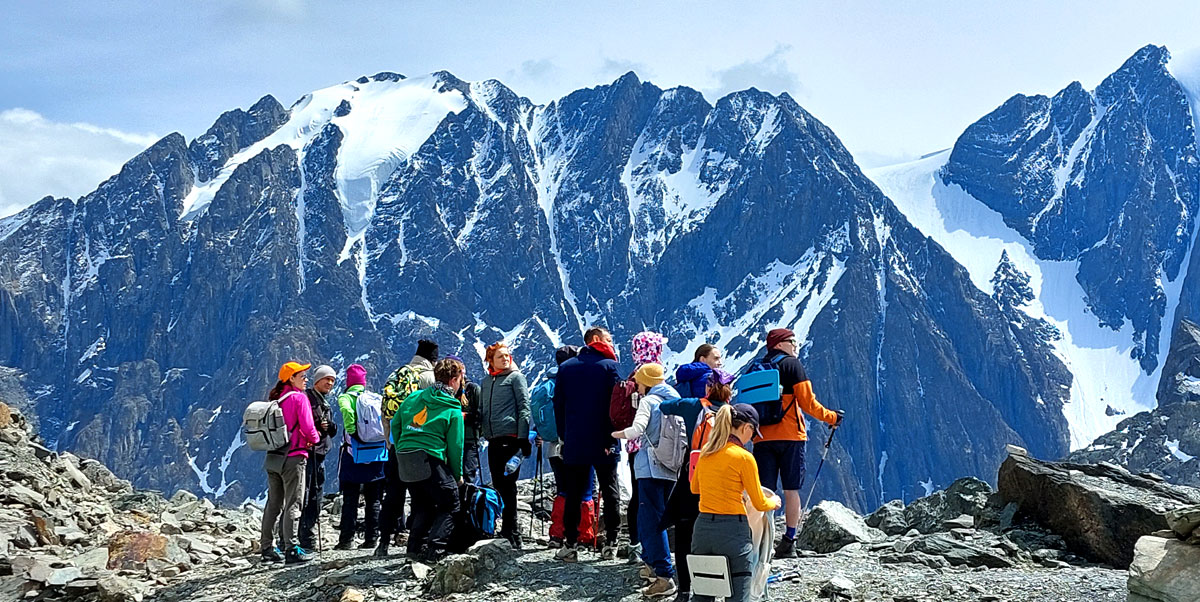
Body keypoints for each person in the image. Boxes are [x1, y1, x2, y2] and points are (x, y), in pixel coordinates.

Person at [753, 327, 843, 558]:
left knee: (764, 491)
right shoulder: (792, 365)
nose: (796, 345)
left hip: (761, 437)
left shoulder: (756, 367)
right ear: (780, 344)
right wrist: (832, 417)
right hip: (790, 436)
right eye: (792, 341)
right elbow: (808, 403)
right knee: (791, 489)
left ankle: (760, 541)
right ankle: (789, 541)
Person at [690, 404, 781, 602]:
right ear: (746, 427)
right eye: (753, 432)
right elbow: (759, 503)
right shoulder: (744, 458)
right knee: (738, 596)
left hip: (703, 531)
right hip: (733, 532)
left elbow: (695, 488)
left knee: (702, 595)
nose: (752, 438)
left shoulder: (706, 452)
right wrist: (773, 502)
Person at [660, 369, 735, 602]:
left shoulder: (694, 406)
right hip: (720, 485)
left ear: (707, 388)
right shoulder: (734, 414)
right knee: (713, 536)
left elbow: (665, 407)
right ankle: (710, 590)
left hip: (692, 481)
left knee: (684, 536)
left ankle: (684, 590)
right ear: (730, 392)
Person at [553, 326, 623, 562]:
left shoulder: (566, 368)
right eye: (608, 339)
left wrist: (564, 435)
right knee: (610, 489)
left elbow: (558, 405)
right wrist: (614, 435)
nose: (611, 344)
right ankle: (611, 542)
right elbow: (617, 405)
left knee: (574, 492)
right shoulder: (610, 366)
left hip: (576, 439)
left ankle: (570, 543)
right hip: (605, 439)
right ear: (596, 339)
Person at [611, 363, 680, 599]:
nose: (638, 387)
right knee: (657, 516)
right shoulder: (676, 399)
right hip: (671, 467)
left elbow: (637, 429)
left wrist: (617, 434)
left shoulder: (648, 401)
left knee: (651, 521)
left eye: (639, 382)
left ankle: (663, 576)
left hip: (650, 467)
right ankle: (651, 565)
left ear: (647, 382)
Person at [391, 358, 465, 561]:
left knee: (423, 503)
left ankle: (414, 549)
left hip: (406, 459)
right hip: (430, 458)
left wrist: (402, 448)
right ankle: (436, 550)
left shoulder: (414, 397)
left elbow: (396, 424)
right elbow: (456, 446)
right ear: (454, 380)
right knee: (450, 503)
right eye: (460, 379)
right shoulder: (452, 408)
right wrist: (457, 476)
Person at [378, 339, 439, 552]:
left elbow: (386, 413)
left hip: (396, 446)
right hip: (419, 446)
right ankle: (416, 541)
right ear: (433, 359)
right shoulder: (430, 378)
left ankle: (383, 541)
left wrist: (389, 441)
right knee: (421, 496)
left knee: (393, 494)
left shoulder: (396, 375)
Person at [260, 362, 321, 564]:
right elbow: (308, 427)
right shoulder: (298, 398)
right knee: (294, 503)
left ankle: (267, 548)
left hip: (273, 458)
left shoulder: (276, 399)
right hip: (293, 457)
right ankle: (291, 548)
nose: (306, 379)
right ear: (291, 379)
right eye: (302, 376)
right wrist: (315, 438)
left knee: (273, 504)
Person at [479, 342, 532, 548]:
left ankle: (512, 530)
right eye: (500, 356)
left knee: (508, 486)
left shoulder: (516, 378)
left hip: (510, 439)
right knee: (499, 484)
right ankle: (506, 528)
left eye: (507, 355)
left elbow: (524, 407)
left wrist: (522, 438)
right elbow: (483, 408)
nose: (506, 358)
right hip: (493, 440)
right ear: (490, 361)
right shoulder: (486, 382)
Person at [623, 330, 668, 558]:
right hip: (656, 445)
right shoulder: (653, 375)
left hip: (634, 446)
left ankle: (636, 541)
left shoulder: (632, 376)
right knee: (656, 498)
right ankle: (655, 547)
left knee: (638, 497)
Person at [336, 364, 386, 550]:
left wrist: (354, 433)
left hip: (353, 453)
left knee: (350, 498)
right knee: (374, 498)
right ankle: (372, 538)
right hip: (377, 452)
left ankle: (346, 540)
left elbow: (347, 412)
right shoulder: (373, 397)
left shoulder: (346, 397)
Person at [298, 364, 339, 552]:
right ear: (317, 380)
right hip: (309, 453)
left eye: (332, 380)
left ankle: (307, 535)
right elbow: (303, 423)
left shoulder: (323, 402)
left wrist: (330, 427)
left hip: (319, 454)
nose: (330, 383)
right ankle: (303, 536)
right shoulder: (307, 399)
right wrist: (317, 426)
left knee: (315, 495)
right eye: (326, 379)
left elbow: (331, 430)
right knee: (307, 495)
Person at [446, 354, 482, 484]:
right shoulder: (445, 391)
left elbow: (480, 416)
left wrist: (464, 417)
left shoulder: (472, 389)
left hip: (469, 440)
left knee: (467, 475)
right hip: (450, 441)